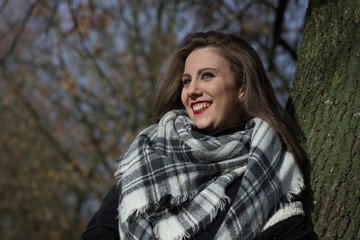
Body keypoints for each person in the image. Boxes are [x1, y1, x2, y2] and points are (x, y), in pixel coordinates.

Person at [81, 31, 316, 240]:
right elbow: (101, 231)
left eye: (207, 76)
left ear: (242, 88)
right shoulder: (150, 154)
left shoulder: (267, 170)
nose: (192, 90)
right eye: (186, 80)